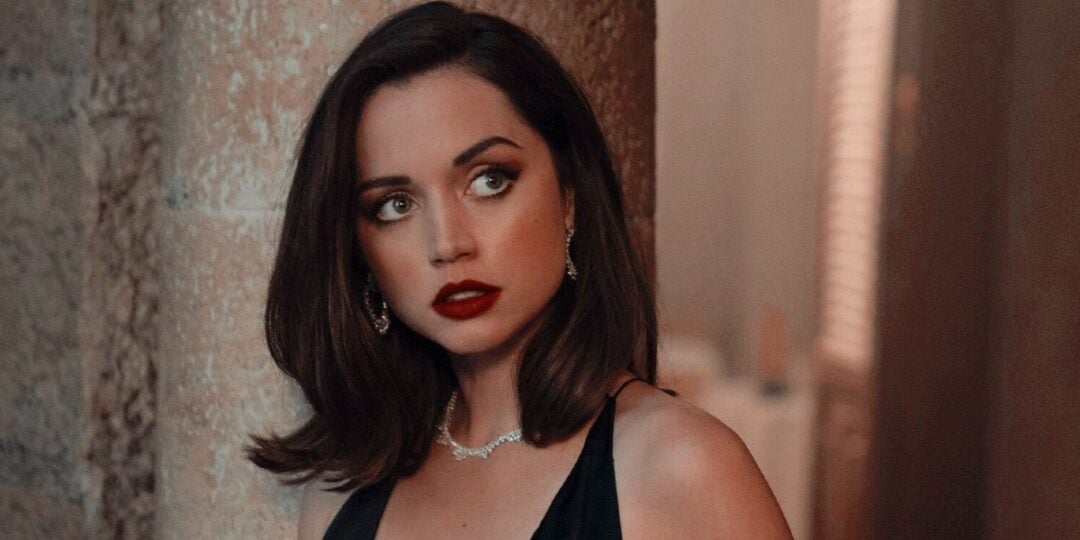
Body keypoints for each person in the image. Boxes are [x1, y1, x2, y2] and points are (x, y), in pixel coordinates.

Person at [247, 2, 791, 538]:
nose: (447, 244)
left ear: (568, 196)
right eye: (395, 204)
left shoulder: (683, 468)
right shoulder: (341, 488)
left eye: (489, 180)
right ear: (358, 251)